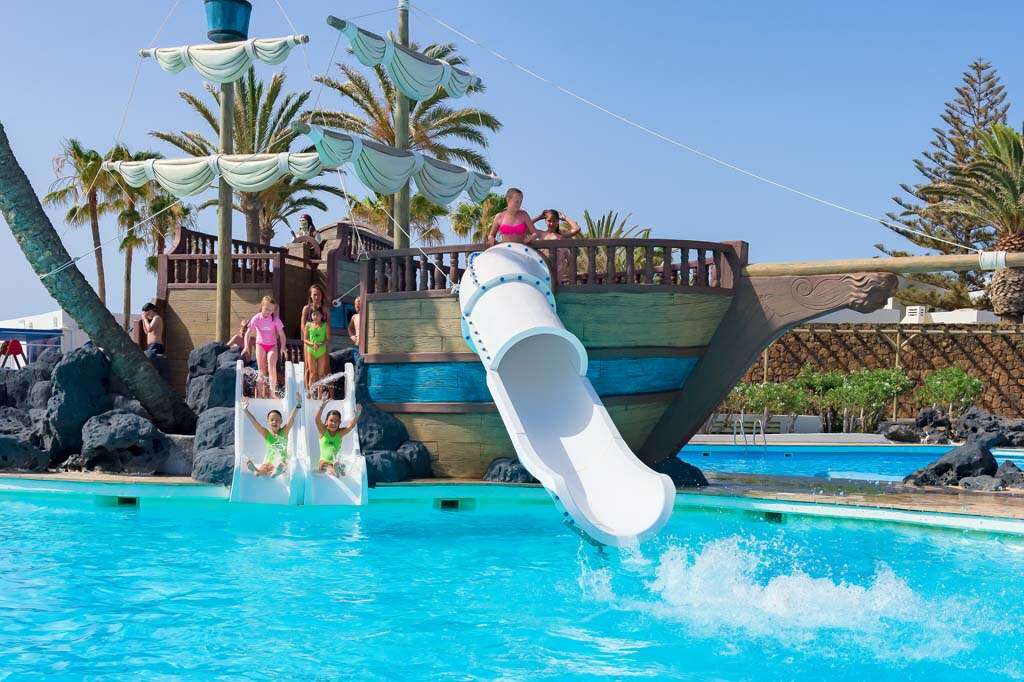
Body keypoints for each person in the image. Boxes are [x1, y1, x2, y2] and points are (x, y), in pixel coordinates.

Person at [241, 397, 299, 478]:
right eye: (272, 420)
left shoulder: (284, 431)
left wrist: (298, 406)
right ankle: (257, 471)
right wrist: (245, 410)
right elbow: (254, 422)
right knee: (265, 467)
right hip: (269, 461)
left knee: (282, 463)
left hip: (281, 460)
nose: (274, 422)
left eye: (277, 420)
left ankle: (277, 471)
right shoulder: (266, 434)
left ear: (281, 421)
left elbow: (291, 418)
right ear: (268, 421)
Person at [247, 296, 287, 397]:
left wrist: (283, 347)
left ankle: (272, 393)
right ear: (262, 306)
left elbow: (282, 335)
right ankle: (260, 394)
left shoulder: (275, 320)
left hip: (272, 345)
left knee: (271, 367)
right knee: (261, 371)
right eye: (267, 309)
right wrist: (246, 346)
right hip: (260, 345)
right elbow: (248, 333)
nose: (269, 312)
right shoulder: (256, 318)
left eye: (271, 310)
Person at [533, 209, 582, 283]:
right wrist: (539, 217)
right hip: (543, 269)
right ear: (545, 221)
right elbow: (525, 226)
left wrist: (565, 218)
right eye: (549, 221)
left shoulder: (561, 235)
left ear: (558, 221)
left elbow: (577, 229)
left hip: (557, 272)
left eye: (554, 221)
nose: (552, 223)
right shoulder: (541, 234)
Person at [314, 402, 362, 477]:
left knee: (337, 465)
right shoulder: (323, 431)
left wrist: (357, 415)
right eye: (331, 420)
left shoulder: (340, 433)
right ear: (326, 421)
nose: (334, 423)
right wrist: (322, 406)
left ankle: (337, 469)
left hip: (335, 461)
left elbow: (351, 426)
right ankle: (336, 470)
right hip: (324, 462)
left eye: (336, 421)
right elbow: (317, 419)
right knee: (324, 465)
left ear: (339, 422)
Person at [301, 284, 331, 391]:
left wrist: (322, 342)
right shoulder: (306, 308)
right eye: (314, 294)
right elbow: (302, 325)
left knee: (324, 369)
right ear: (311, 295)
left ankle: (323, 392)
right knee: (308, 369)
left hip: (322, 343)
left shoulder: (325, 309)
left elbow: (328, 326)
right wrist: (309, 340)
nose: (317, 297)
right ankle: (307, 391)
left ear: (322, 296)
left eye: (319, 294)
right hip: (309, 342)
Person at [304, 307, 330, 398]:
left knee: (321, 373)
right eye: (313, 314)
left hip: (321, 351)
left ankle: (319, 395)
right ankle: (311, 394)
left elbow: (328, 339)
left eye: (317, 315)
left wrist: (320, 344)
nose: (315, 317)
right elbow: (305, 339)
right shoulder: (308, 325)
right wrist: (312, 344)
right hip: (311, 350)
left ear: (322, 316)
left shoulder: (325, 325)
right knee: (312, 373)